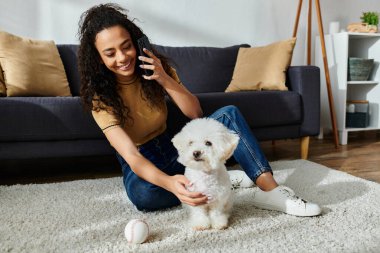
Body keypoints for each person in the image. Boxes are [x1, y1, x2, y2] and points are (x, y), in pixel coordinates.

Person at [77, 3, 322, 216]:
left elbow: (194, 113)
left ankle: (271, 190)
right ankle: (219, 179)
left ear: (135, 43)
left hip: (175, 149)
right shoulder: (100, 97)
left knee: (229, 114)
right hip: (142, 159)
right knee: (144, 196)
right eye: (110, 53)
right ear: (99, 58)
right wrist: (169, 184)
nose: (121, 57)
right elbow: (131, 157)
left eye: (126, 46)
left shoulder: (156, 67)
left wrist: (164, 78)